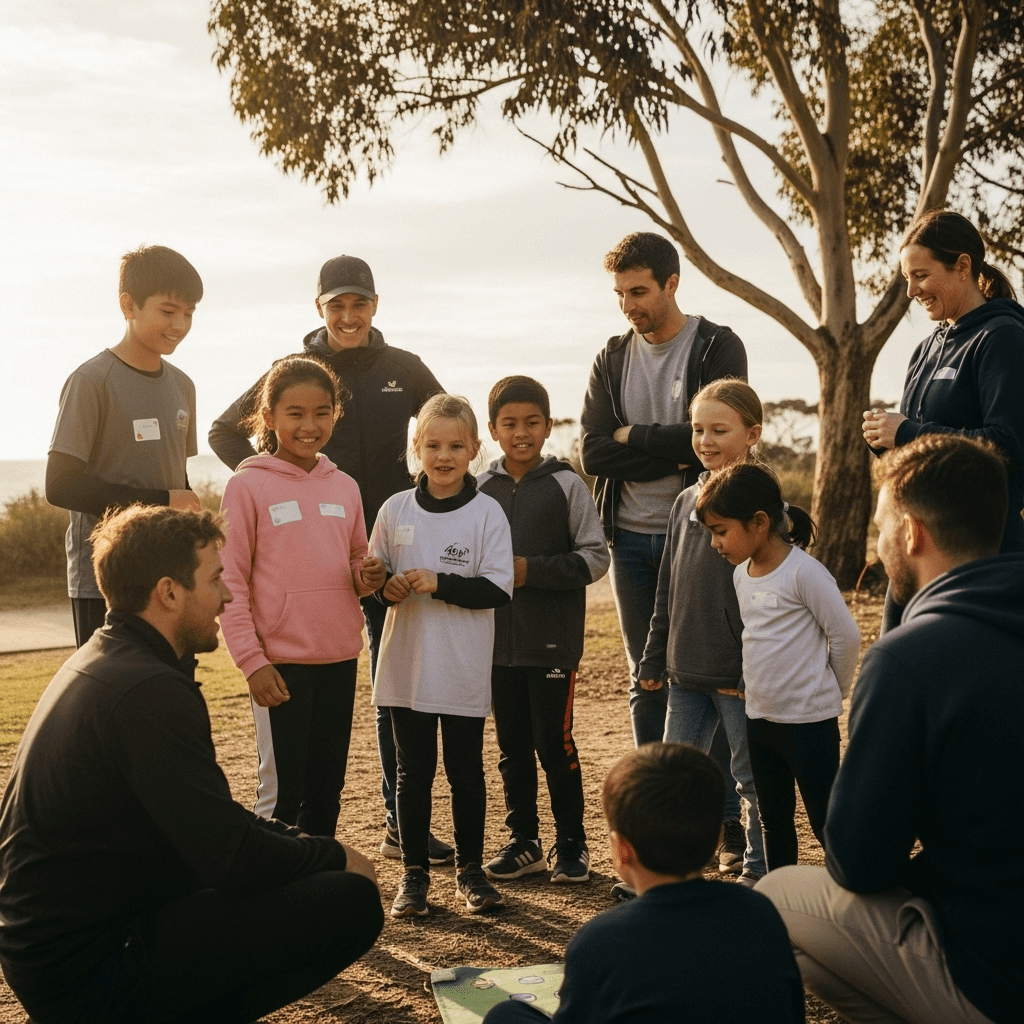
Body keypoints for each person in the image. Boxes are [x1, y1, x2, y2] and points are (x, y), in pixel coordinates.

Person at [0, 505, 383, 1024]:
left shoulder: (106, 657)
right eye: (216, 578)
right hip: (89, 974)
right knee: (352, 902)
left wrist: (299, 844)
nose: (228, 595)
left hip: (59, 952)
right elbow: (231, 858)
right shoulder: (149, 690)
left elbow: (211, 823)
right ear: (170, 592)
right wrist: (332, 855)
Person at [759, 434, 1024, 1024]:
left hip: (997, 980)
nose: (876, 550)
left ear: (912, 534)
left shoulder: (912, 658)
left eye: (880, 531)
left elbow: (859, 862)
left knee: (778, 897)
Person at [209, 254, 452, 862]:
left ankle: (402, 821)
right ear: (319, 308)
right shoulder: (291, 380)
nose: (348, 315)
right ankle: (282, 872)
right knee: (288, 779)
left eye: (359, 303)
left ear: (374, 305)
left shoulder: (404, 368)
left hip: (377, 551)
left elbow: (449, 428)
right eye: (336, 304)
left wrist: (423, 498)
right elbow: (222, 431)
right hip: (296, 601)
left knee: (393, 688)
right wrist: (272, 479)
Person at [579, 231, 749, 884]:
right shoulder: (610, 357)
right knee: (645, 681)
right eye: (620, 293)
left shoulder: (715, 345)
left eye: (639, 292)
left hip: (703, 541)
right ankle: (655, 829)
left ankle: (727, 830)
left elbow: (716, 434)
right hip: (628, 539)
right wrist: (671, 445)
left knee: (708, 678)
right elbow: (595, 450)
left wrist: (638, 437)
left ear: (672, 283)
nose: (629, 306)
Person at [482, 743, 805, 1024]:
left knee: (504, 1015)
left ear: (622, 851)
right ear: (718, 838)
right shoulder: (760, 911)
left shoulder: (600, 941)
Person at [218, 356, 385, 837]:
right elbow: (229, 583)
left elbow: (355, 559)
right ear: (268, 417)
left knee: (326, 789)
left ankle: (319, 893)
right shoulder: (246, 486)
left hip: (338, 656)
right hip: (279, 665)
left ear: (335, 414)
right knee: (282, 796)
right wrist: (252, 661)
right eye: (295, 413)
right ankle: (270, 902)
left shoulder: (345, 486)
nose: (309, 426)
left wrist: (366, 573)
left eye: (321, 412)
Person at [369, 394, 514, 917]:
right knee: (413, 774)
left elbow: (498, 589)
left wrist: (441, 582)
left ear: (474, 448)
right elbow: (374, 579)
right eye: (433, 445)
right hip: (406, 667)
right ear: (417, 448)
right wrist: (384, 588)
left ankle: (470, 873)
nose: (444, 455)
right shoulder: (394, 509)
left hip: (460, 668)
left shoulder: (487, 512)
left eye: (456, 445)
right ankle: (414, 876)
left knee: (465, 772)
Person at [862, 209, 1024, 632]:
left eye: (921, 275)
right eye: (907, 278)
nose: (911, 290)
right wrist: (887, 440)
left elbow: (1007, 443)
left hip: (978, 555)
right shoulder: (925, 349)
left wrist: (909, 432)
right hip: (914, 549)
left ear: (963, 266)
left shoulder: (1002, 337)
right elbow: (917, 441)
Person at [476, 376, 609, 885]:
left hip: (552, 641)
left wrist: (531, 570)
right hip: (494, 646)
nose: (522, 433)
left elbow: (595, 558)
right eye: (509, 424)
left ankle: (571, 845)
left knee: (555, 744)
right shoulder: (480, 489)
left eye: (532, 422)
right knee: (511, 746)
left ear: (548, 426)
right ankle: (524, 842)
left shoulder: (566, 484)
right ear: (492, 430)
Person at [695, 463, 860, 871]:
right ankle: (780, 902)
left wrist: (830, 691)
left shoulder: (805, 572)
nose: (715, 542)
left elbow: (846, 637)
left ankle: (859, 894)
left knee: (826, 821)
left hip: (810, 723)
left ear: (759, 522)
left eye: (720, 530)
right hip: (761, 719)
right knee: (773, 820)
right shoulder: (740, 575)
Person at [639, 379, 766, 886]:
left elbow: (770, 597)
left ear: (752, 433)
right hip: (684, 671)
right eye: (697, 429)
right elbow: (667, 587)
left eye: (719, 429)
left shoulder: (762, 503)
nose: (705, 440)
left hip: (737, 675)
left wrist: (751, 667)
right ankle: (670, 871)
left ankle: (758, 869)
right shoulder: (684, 500)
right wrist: (653, 658)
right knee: (674, 777)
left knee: (749, 779)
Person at [46, 245, 204, 648]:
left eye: (189, 313)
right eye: (168, 311)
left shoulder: (183, 385)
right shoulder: (91, 380)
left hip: (168, 574)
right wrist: (162, 500)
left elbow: (173, 478)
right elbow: (60, 486)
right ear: (128, 305)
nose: (180, 324)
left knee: (167, 693)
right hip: (104, 578)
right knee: (112, 698)